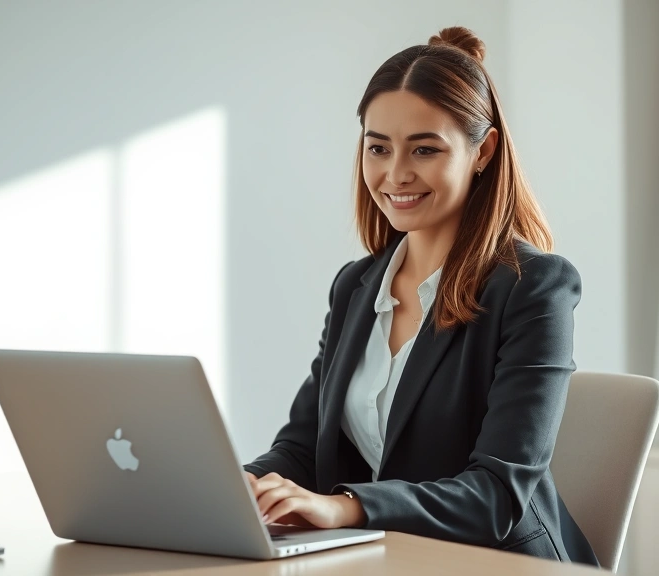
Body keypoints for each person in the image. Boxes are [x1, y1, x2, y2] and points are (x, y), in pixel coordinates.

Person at [242, 26, 598, 566]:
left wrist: (346, 508)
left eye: (425, 149)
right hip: (392, 560)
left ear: (484, 151)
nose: (396, 174)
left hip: (500, 562)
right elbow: (303, 447)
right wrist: (240, 488)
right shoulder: (355, 287)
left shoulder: (534, 288)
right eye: (378, 148)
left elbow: (497, 495)